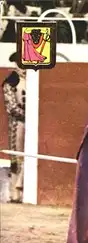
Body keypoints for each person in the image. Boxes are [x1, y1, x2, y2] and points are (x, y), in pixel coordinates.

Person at [2, 52, 26, 203]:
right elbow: (11, 107)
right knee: (17, 157)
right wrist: (28, 115)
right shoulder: (11, 81)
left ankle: (21, 190)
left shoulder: (33, 79)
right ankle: (14, 193)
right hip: (18, 123)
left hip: (29, 122)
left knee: (25, 156)